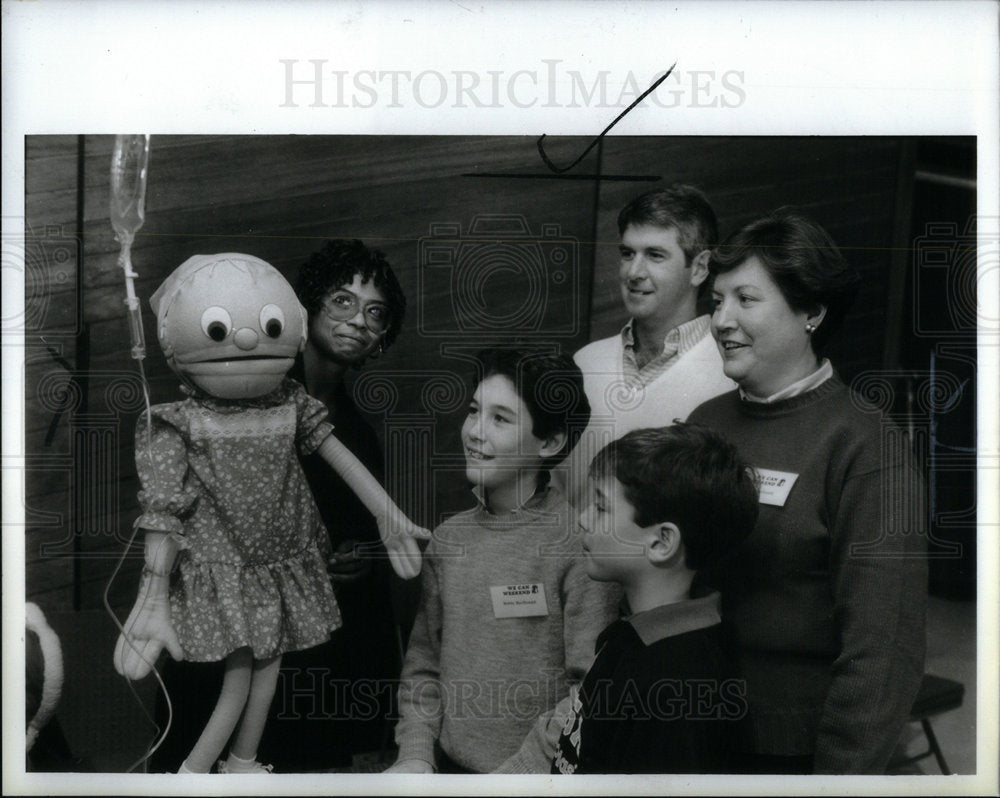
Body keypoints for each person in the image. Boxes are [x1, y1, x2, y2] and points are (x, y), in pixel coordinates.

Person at [144, 243, 412, 773]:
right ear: (304, 307)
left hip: (305, 632)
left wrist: (359, 559)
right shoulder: (231, 403)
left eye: (375, 312)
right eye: (342, 301)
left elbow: (359, 531)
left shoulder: (354, 431)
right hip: (221, 614)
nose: (358, 320)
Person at [687, 211, 927, 774]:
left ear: (812, 312)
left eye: (745, 299)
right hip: (690, 729)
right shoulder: (704, 422)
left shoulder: (868, 448)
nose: (721, 320)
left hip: (795, 751)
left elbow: (882, 652)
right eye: (716, 301)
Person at [388, 349, 621, 773]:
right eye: (474, 411)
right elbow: (424, 668)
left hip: (535, 781)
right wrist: (416, 755)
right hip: (450, 772)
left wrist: (515, 778)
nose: (475, 432)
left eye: (501, 419)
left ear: (549, 442)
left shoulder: (578, 546)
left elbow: (589, 691)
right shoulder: (448, 540)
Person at [565, 185, 734, 508]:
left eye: (655, 255)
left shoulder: (729, 373)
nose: (634, 272)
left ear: (699, 268)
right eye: (628, 254)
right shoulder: (585, 363)